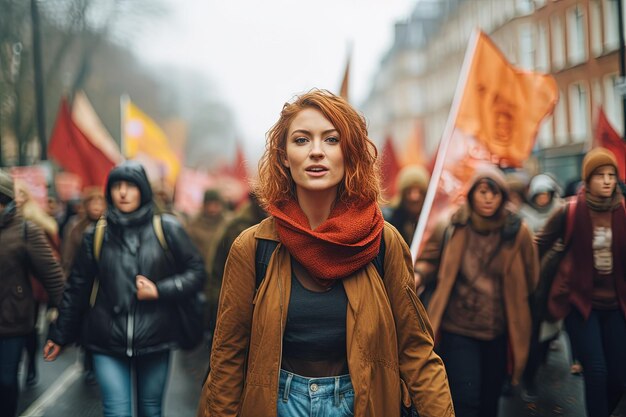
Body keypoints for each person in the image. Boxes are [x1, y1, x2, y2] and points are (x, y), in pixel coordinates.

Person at [196, 89, 453, 417]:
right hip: (277, 404)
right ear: (285, 157)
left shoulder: (383, 242)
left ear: (350, 153)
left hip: (362, 403)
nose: (316, 151)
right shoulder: (252, 247)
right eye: (302, 140)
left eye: (331, 140)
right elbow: (228, 358)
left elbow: (416, 351)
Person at [44, 161, 206, 417]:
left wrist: (159, 290)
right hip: (106, 340)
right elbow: (77, 289)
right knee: (117, 412)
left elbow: (196, 272)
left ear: (142, 190)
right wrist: (58, 335)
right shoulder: (95, 234)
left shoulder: (166, 228)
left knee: (150, 411)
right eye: (117, 186)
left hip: (155, 337)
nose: (122, 192)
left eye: (130, 186)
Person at [414, 166, 538, 417]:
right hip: (458, 327)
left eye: (494, 193)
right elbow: (429, 260)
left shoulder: (517, 231)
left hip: (498, 328)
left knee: (489, 401)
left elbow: (532, 275)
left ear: (503, 196)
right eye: (482, 191)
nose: (488, 198)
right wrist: (418, 275)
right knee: (465, 399)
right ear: (471, 194)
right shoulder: (451, 225)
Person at [535, 147, 626, 417]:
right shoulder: (570, 210)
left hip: (617, 305)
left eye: (611, 174)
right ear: (588, 179)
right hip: (581, 304)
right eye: (600, 175)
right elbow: (537, 244)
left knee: (619, 379)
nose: (607, 180)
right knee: (596, 372)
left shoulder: (623, 211)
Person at [0, 170, 65, 417]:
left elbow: (54, 278)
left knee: (5, 381)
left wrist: (63, 329)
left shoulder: (27, 231)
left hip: (13, 322)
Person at [13, 181, 62, 387]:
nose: (18, 198)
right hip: (9, 284)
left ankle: (30, 366)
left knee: (28, 327)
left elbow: (51, 260)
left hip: (31, 286)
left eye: (21, 193)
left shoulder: (36, 224)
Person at [186, 189, 230, 338]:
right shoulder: (193, 225)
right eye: (209, 204)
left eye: (216, 205)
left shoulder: (228, 224)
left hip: (221, 277)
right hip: (199, 277)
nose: (212, 209)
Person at [385, 165, 430, 246]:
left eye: (419, 191)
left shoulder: (429, 221)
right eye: (409, 191)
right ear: (402, 194)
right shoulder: (389, 219)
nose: (415, 197)